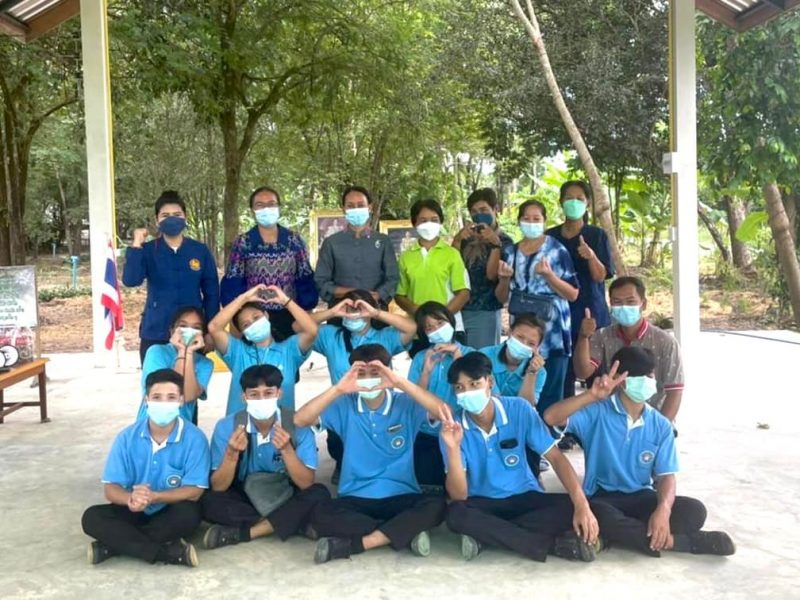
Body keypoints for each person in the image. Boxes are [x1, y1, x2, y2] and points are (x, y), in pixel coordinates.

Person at [544, 347, 735, 558]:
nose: (647, 380)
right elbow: (551, 417)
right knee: (599, 515)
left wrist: (663, 510)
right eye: (639, 375)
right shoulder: (596, 412)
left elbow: (666, 476)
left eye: (650, 375)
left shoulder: (660, 425)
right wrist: (591, 395)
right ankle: (681, 542)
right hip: (602, 497)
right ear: (621, 380)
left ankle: (606, 538)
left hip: (642, 496)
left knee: (695, 510)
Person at [294, 344, 450, 564]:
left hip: (401, 495)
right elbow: (300, 419)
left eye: (375, 373)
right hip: (355, 496)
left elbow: (444, 412)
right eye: (361, 374)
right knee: (320, 514)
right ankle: (403, 533)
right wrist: (338, 389)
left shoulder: (404, 403)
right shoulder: (343, 405)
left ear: (388, 372)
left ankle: (360, 543)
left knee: (437, 506)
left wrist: (399, 383)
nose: (368, 380)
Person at [439, 352, 600, 562]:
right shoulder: (452, 429)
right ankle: (551, 545)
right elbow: (459, 495)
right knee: (456, 514)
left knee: (586, 507)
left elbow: (556, 458)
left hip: (525, 497)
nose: (467, 392)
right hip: (482, 503)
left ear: (490, 382)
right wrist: (453, 448)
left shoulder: (519, 409)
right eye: (459, 388)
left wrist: (581, 505)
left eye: (474, 384)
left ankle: (488, 537)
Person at [81, 369, 210, 567]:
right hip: (133, 509)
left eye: (171, 397)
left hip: (170, 508)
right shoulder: (126, 437)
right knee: (92, 518)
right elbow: (111, 488)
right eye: (157, 397)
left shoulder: (195, 438)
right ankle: (166, 554)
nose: (163, 403)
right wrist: (130, 499)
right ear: (146, 400)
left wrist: (155, 497)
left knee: (189, 515)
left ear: (181, 400)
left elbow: (195, 491)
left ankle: (114, 545)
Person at [201, 365, 330, 549]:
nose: (262, 400)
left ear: (279, 393)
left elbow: (306, 483)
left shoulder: (297, 424)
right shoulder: (227, 426)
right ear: (244, 397)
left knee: (319, 493)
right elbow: (218, 486)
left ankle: (248, 532)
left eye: (269, 393)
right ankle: (293, 523)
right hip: (246, 493)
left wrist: (287, 450)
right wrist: (231, 454)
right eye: (254, 395)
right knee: (208, 501)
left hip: (286, 492)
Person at [310, 289, 416, 483]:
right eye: (349, 308)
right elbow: (299, 326)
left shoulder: (385, 336)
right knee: (341, 448)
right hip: (344, 409)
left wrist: (375, 312)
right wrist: (332, 312)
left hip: (381, 408)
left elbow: (412, 328)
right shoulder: (330, 336)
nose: (354, 313)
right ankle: (342, 466)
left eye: (359, 308)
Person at [496, 199, 578, 416]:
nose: (531, 223)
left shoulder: (557, 250)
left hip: (553, 335)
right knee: (520, 391)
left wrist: (549, 276)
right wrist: (504, 279)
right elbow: (501, 298)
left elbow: (572, 293)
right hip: (521, 336)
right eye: (526, 218)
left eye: (536, 219)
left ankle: (549, 433)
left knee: (551, 394)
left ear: (544, 221)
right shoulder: (510, 252)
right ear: (519, 221)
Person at [122, 190, 220, 364]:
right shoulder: (148, 250)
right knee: (156, 379)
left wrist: (210, 330)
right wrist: (136, 244)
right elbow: (131, 280)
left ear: (185, 217)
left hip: (192, 331)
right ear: (157, 220)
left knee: (190, 379)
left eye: (177, 214)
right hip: (156, 330)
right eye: (165, 215)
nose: (172, 219)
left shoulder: (199, 251)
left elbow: (212, 294)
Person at [573, 276, 684, 422]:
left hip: (653, 418)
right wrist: (583, 337)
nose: (624, 307)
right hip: (612, 419)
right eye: (617, 302)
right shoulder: (602, 336)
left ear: (643, 304)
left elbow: (675, 390)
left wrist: (662, 428)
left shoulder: (666, 342)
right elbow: (583, 372)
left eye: (630, 302)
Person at [220, 186, 318, 342]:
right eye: (260, 205)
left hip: (290, 314)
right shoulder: (244, 242)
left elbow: (305, 278)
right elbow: (233, 282)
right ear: (252, 211)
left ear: (279, 207)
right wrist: (235, 321)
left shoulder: (294, 240)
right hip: (253, 317)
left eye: (271, 204)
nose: (266, 209)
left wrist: (307, 311)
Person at [546, 181, 615, 399]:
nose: (573, 203)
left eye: (579, 198)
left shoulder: (597, 235)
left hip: (590, 314)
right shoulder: (550, 237)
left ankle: (598, 418)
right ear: (561, 202)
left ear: (587, 203)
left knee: (597, 377)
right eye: (569, 198)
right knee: (561, 380)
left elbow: (601, 275)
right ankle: (563, 419)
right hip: (558, 317)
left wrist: (591, 256)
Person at [208, 283, 318, 416]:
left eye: (256, 317)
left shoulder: (290, 350)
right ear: (244, 333)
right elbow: (214, 327)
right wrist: (244, 298)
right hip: (240, 427)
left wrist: (285, 301)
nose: (253, 324)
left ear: (266, 315)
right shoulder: (237, 352)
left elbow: (312, 330)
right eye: (246, 324)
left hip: (281, 426)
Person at [407, 301, 473, 487]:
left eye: (440, 323)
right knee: (429, 485)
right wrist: (426, 372)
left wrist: (458, 358)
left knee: (463, 483)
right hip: (428, 431)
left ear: (451, 322)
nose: (436, 329)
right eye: (429, 327)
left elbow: (475, 391)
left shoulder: (470, 354)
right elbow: (413, 398)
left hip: (463, 431)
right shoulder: (421, 357)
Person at [395, 199, 470, 338]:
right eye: (423, 220)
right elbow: (400, 295)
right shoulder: (405, 257)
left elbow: (463, 293)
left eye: (434, 220)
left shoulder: (452, 254)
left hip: (449, 328)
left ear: (441, 222)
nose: (429, 224)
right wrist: (418, 313)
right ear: (414, 223)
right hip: (418, 330)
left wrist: (441, 318)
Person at [314, 186, 399, 309]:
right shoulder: (331, 243)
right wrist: (351, 293)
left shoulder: (383, 241)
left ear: (370, 207)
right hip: (340, 310)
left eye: (360, 205)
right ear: (344, 209)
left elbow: (393, 278)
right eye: (350, 206)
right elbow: (321, 281)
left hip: (376, 310)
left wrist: (377, 295)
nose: (356, 209)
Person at [452, 188, 514, 349]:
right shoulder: (466, 238)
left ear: (496, 209)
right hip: (458, 309)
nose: (478, 214)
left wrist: (495, 244)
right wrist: (457, 241)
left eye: (484, 209)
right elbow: (453, 269)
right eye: (474, 211)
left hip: (486, 311)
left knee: (480, 359)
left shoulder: (505, 242)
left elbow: (491, 275)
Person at [137, 306, 214, 424]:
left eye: (196, 328)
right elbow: (170, 390)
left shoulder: (205, 364)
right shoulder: (156, 352)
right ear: (172, 331)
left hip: (183, 426)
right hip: (148, 424)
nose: (189, 331)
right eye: (183, 326)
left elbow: (188, 396)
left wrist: (187, 352)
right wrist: (182, 351)